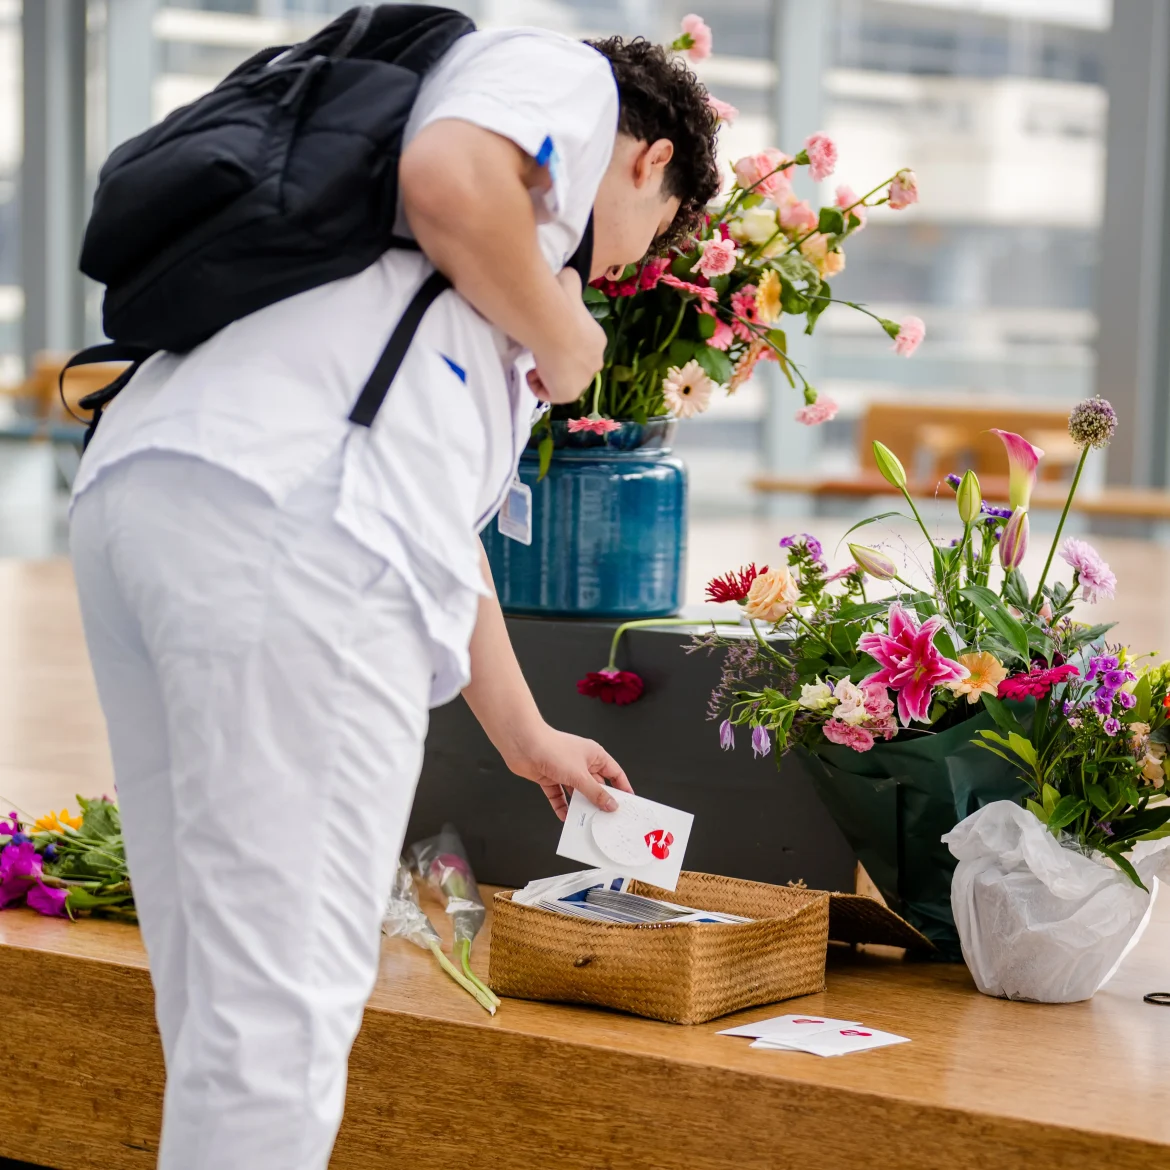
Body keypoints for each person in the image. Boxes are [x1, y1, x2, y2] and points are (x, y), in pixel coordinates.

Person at [68, 20, 720, 1170]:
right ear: (651, 160)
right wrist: (569, 340)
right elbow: (450, 178)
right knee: (284, 1013)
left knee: (220, 994)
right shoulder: (561, 82)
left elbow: (433, 530)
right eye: (652, 240)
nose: (622, 272)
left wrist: (526, 735)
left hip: (167, 493)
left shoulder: (390, 282)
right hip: (290, 525)